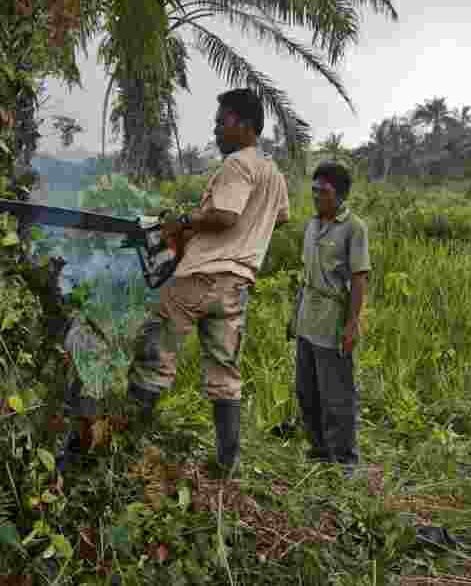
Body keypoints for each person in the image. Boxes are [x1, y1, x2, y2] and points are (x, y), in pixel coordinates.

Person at [127, 88, 290, 477]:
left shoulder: (237, 163)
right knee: (224, 375)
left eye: (222, 122)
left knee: (156, 357)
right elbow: (280, 217)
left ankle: (123, 449)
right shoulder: (272, 172)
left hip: (199, 277)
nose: (215, 129)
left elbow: (226, 215)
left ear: (244, 125)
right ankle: (226, 464)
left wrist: (184, 221)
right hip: (236, 285)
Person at [287, 162, 370, 478]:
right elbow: (305, 277)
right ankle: (319, 452)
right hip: (308, 317)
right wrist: (294, 315)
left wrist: (352, 324)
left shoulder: (353, 228)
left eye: (324, 191)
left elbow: (359, 279)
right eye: (314, 189)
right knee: (306, 390)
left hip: (332, 321)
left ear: (339, 195)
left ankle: (344, 461)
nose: (316, 195)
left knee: (336, 394)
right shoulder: (310, 225)